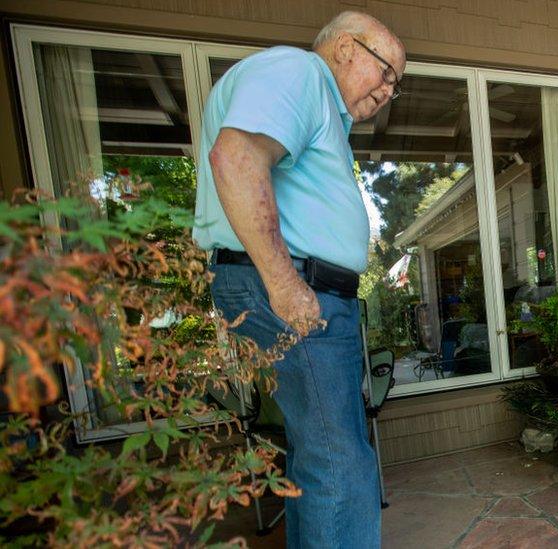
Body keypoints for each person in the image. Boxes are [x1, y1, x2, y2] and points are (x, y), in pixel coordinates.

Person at [192, 11, 405, 548]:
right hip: (294, 291)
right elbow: (237, 157)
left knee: (327, 455)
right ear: (345, 48)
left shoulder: (318, 102)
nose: (388, 90)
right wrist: (286, 285)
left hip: (303, 292)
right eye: (386, 72)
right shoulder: (302, 72)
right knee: (339, 463)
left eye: (395, 84)